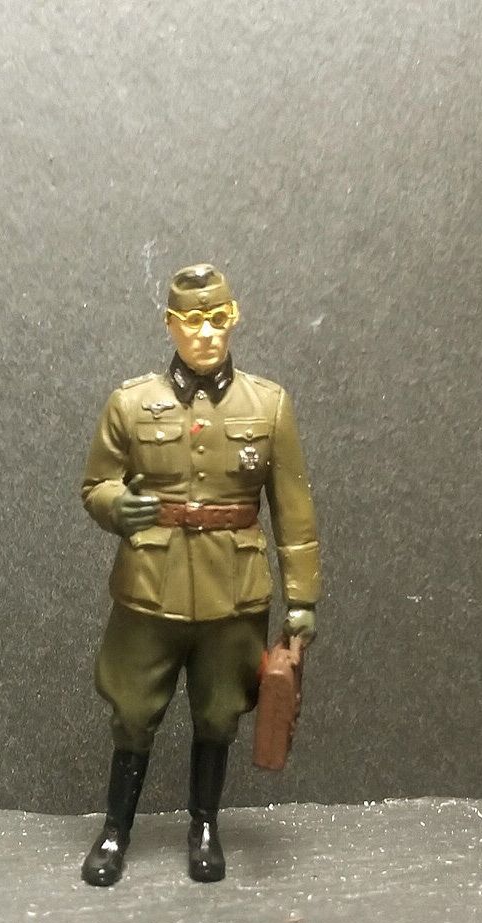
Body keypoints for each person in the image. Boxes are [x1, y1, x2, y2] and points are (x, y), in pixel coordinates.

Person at [79, 263, 321, 885]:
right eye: (192, 321)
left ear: (233, 318)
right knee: (133, 713)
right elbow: (96, 483)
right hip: (148, 587)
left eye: (217, 319)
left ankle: (205, 826)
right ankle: (116, 829)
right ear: (171, 325)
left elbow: (293, 511)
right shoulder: (132, 403)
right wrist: (117, 507)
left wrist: (302, 601)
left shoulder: (268, 405)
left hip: (233, 593)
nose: (206, 333)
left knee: (219, 714)